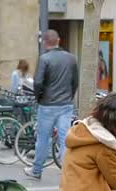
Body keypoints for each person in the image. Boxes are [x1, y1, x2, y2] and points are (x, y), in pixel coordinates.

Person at [24, 30, 78, 180]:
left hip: (47, 105)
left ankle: (36, 170)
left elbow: (38, 82)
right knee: (64, 138)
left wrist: (39, 98)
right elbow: (75, 82)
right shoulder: (71, 59)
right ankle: (68, 172)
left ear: (45, 42)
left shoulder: (44, 59)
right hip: (66, 104)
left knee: (43, 138)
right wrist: (69, 97)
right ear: (59, 40)